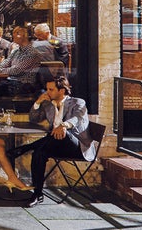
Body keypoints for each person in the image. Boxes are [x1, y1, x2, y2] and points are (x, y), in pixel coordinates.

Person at [21, 75, 96, 207]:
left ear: (61, 91)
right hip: (56, 143)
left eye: (51, 89)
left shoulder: (78, 102)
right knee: (39, 153)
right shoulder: (49, 104)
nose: (47, 92)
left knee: (63, 133)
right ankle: (37, 194)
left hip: (77, 147)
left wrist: (64, 125)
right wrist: (38, 102)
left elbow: (78, 119)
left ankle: (24, 148)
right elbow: (34, 119)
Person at [0, 25, 41, 94]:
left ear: (25, 36)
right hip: (12, 83)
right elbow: (5, 63)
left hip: (24, 86)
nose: (14, 35)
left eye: (17, 33)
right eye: (14, 33)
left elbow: (15, 70)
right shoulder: (16, 51)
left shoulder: (31, 53)